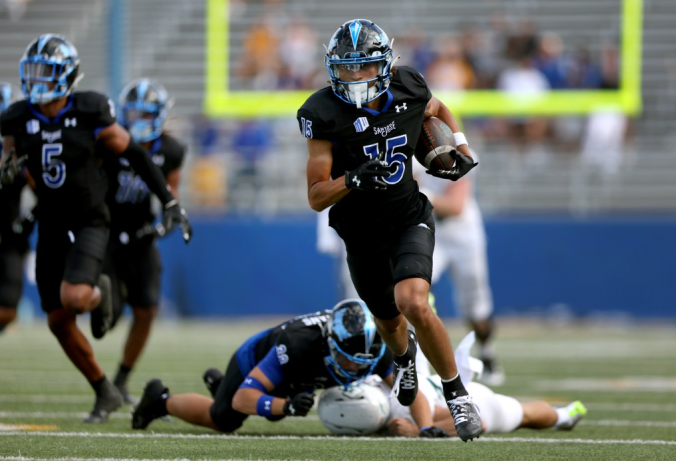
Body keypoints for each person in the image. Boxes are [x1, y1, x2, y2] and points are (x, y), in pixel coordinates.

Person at [298, 19, 481, 441]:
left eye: (363, 67)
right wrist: (353, 179)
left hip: (407, 217)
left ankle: (456, 395)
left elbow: (437, 109)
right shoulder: (321, 112)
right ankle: (404, 359)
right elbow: (315, 194)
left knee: (413, 301)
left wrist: (461, 145)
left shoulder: (409, 86)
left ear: (382, 66)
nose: (354, 76)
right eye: (346, 67)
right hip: (359, 232)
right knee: (388, 321)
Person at [0, 34, 192, 423]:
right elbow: (12, 161)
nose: (37, 80)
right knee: (57, 321)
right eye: (33, 72)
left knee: (74, 299)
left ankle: (97, 292)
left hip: (89, 218)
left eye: (46, 72)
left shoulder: (90, 110)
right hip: (51, 221)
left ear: (67, 75)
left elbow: (135, 153)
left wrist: (169, 202)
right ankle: (104, 389)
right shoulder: (17, 116)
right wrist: (8, 172)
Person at [131, 299, 394, 432]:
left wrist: (424, 425)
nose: (352, 367)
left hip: (297, 374)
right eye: (346, 357)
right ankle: (159, 399)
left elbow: (405, 391)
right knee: (224, 419)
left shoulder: (377, 350)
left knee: (274, 411)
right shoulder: (297, 346)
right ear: (330, 341)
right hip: (255, 360)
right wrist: (287, 405)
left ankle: (221, 385)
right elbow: (243, 400)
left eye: (361, 361)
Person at [101, 78, 186, 404]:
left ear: (160, 116)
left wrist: (165, 221)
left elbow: (171, 195)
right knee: (108, 318)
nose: (138, 122)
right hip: (105, 229)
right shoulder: (109, 143)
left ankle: (121, 380)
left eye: (145, 115)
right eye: (133, 115)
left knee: (147, 309)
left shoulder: (171, 150)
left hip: (140, 231)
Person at [324, 332, 587, 437]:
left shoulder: (399, 408)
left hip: (472, 399)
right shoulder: (372, 385)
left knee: (523, 414)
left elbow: (477, 422)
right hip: (434, 384)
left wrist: (418, 431)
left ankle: (564, 415)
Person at [413, 155, 505, 385]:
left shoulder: (456, 153)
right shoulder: (408, 149)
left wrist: (420, 194)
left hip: (464, 238)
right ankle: (414, 360)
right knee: (413, 290)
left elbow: (454, 207)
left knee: (476, 307)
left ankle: (487, 355)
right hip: (430, 233)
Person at [0, 82, 32, 333]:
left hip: (8, 235)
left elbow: (45, 189)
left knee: (9, 310)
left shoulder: (22, 149)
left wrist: (32, 216)